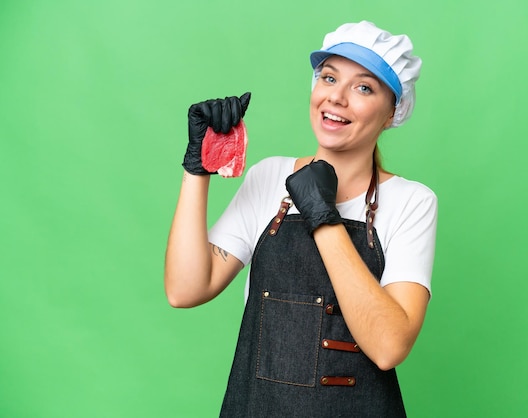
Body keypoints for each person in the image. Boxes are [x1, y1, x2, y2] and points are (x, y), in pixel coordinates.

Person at [164, 20, 438, 417]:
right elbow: (186, 289)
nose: (337, 98)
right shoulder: (268, 177)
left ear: (392, 111)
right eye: (329, 78)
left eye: (363, 87)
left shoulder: (411, 202)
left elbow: (388, 346)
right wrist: (197, 168)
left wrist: (323, 218)